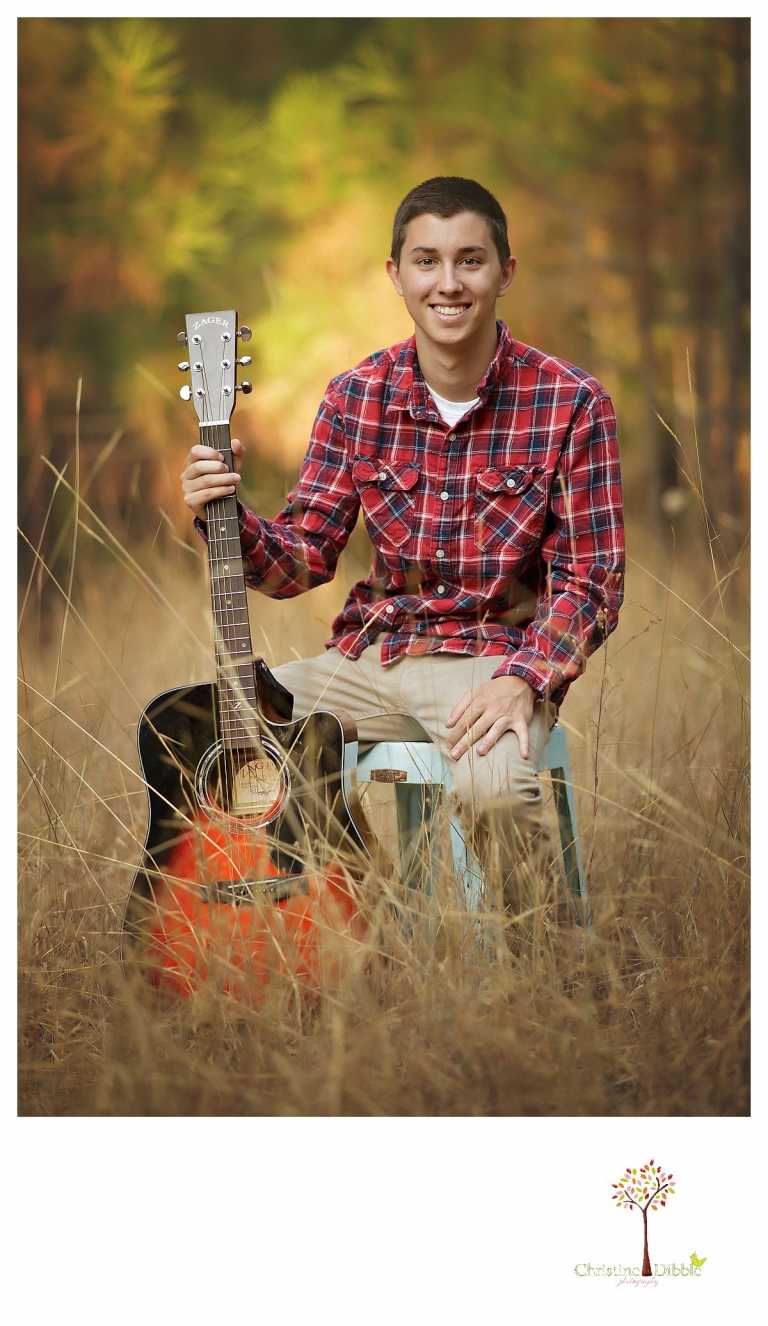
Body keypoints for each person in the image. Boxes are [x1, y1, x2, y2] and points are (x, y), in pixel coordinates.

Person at [180, 176, 624, 923]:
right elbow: (304, 558)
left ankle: (546, 967)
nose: (447, 283)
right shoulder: (356, 395)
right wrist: (226, 514)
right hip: (372, 658)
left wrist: (527, 679)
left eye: (470, 260)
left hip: (492, 660)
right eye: (426, 261)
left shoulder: (571, 401)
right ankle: (363, 922)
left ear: (505, 272)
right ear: (396, 275)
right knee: (214, 741)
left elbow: (592, 579)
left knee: (494, 792)